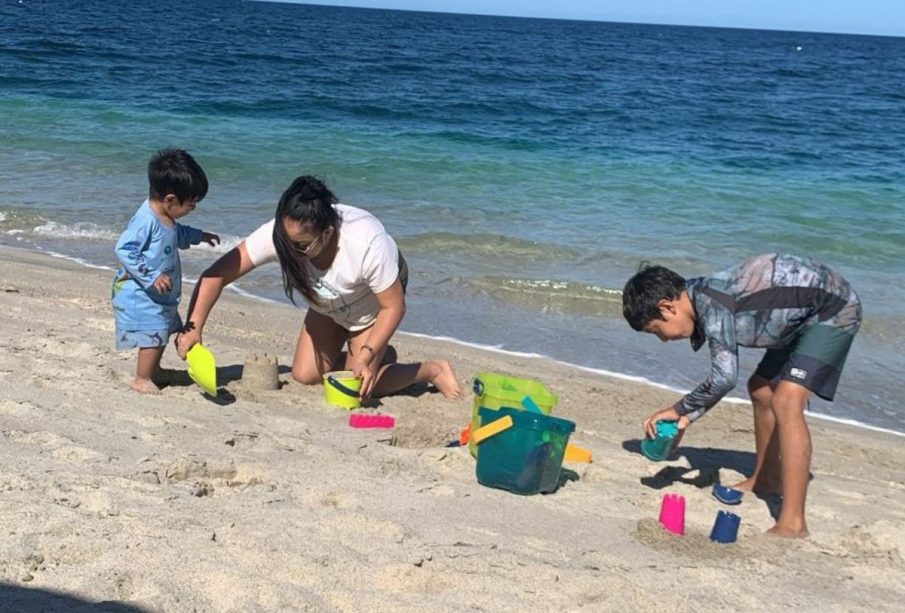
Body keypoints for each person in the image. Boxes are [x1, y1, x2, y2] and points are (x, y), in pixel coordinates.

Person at [622, 253, 861, 538]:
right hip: (798, 319)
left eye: (656, 331)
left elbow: (723, 378)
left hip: (832, 309)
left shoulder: (712, 302)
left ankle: (794, 522)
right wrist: (688, 418)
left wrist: (678, 410)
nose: (663, 339)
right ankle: (767, 480)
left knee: (787, 400)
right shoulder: (699, 297)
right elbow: (723, 379)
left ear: (667, 307)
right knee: (761, 389)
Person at [175, 175, 462, 400]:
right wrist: (193, 327)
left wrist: (365, 356)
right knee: (305, 375)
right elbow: (216, 275)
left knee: (357, 388)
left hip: (371, 306)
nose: (289, 252)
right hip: (328, 303)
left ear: (328, 233)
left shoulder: (367, 244)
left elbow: (394, 306)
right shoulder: (283, 235)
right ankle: (375, 355)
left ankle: (431, 370)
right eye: (285, 243)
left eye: (300, 247)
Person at [112, 148, 220, 394]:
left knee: (163, 326)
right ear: (170, 200)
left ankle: (155, 371)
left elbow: (176, 233)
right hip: (141, 292)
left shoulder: (165, 216)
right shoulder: (145, 220)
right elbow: (125, 248)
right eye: (191, 203)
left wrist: (198, 236)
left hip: (160, 292)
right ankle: (141, 378)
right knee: (154, 332)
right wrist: (151, 276)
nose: (193, 207)